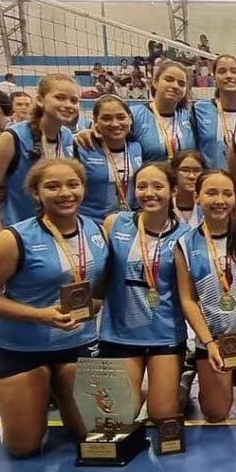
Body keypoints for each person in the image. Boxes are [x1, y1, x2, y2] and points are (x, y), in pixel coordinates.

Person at [0, 159, 108, 457]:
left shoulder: (95, 231)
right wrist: (40, 316)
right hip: (20, 347)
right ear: (36, 193)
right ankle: (8, 400)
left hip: (76, 345)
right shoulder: (13, 239)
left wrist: (94, 305)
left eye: (72, 184)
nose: (65, 193)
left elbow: (100, 285)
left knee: (95, 435)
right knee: (24, 447)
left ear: (83, 187)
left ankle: (56, 385)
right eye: (52, 186)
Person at [175, 170, 236, 421]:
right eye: (211, 193)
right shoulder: (185, 243)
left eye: (227, 193)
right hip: (215, 339)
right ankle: (193, 371)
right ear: (197, 197)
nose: (220, 200)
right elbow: (187, 299)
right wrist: (208, 343)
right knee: (215, 413)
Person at [99, 162, 191, 422]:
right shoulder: (114, 224)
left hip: (164, 334)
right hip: (119, 333)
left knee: (162, 415)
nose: (149, 193)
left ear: (173, 191)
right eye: (142, 186)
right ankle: (144, 390)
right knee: (118, 418)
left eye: (158, 186)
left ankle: (180, 385)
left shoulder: (186, 236)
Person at [0, 74, 78, 242]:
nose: (68, 105)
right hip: (11, 235)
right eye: (60, 97)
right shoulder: (12, 137)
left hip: (47, 235)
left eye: (74, 100)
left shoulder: (67, 137)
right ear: (40, 100)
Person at [75, 95, 144, 219]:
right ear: (95, 122)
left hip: (125, 223)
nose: (115, 124)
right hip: (92, 223)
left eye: (121, 117)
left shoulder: (137, 147)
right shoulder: (82, 148)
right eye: (106, 118)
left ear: (130, 119)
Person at [194, 55, 236, 169]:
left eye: (234, 71)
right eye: (222, 71)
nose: (228, 76)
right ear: (214, 78)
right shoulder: (199, 110)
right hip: (211, 183)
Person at [170, 151, 207, 227]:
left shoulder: (208, 207)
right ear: (174, 172)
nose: (191, 176)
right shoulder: (164, 206)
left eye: (197, 170)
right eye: (185, 170)